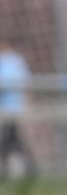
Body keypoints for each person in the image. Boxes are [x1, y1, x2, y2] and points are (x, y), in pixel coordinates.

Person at [0, 39, 37, 182]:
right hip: (9, 109)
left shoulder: (13, 62)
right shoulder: (13, 61)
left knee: (8, 139)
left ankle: (25, 168)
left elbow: (26, 84)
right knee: (13, 139)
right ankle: (29, 167)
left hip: (12, 109)